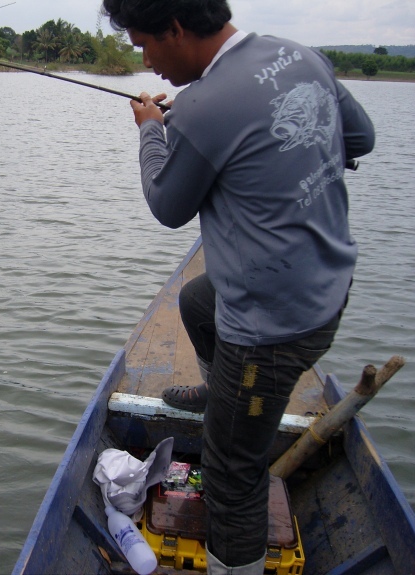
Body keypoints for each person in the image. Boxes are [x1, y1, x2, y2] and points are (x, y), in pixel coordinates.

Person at [101, 1, 375, 573]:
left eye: (145, 43)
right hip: (327, 286)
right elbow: (361, 138)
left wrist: (154, 131)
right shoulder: (299, 56)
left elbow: (167, 205)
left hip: (270, 329)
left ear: (176, 28)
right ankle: (216, 389)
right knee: (197, 301)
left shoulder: (201, 108)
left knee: (232, 476)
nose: (146, 59)